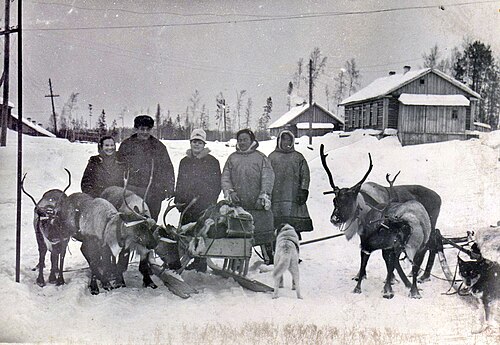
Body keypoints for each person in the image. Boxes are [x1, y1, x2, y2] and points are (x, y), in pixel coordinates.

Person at [221, 128, 275, 264]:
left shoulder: (261, 157)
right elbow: (225, 178)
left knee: (263, 231)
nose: (242, 142)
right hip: (239, 204)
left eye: (245, 139)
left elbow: (268, 177)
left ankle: (269, 258)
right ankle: (236, 261)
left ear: (252, 140)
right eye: (240, 140)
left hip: (257, 203)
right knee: (238, 232)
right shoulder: (232, 158)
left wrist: (264, 195)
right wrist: (230, 192)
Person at [173, 128, 221, 272]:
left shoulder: (212, 162)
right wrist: (178, 199)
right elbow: (180, 181)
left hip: (203, 204)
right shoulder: (184, 162)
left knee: (201, 232)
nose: (196, 145)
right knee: (187, 232)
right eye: (194, 142)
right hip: (187, 204)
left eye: (199, 142)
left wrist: (209, 200)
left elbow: (216, 184)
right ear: (190, 143)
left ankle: (201, 262)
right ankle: (189, 258)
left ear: (204, 144)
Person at [117, 115, 175, 221]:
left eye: (147, 129)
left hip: (153, 192)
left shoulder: (158, 146)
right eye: (142, 129)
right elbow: (118, 166)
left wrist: (169, 187)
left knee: (150, 221)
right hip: (132, 190)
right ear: (136, 129)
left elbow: (167, 168)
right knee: (131, 221)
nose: (145, 132)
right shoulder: (127, 145)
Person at [269, 130, 313, 241]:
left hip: (293, 196)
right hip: (277, 196)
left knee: (293, 229)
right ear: (279, 141)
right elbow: (267, 176)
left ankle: (293, 251)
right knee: (277, 228)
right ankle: (276, 252)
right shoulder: (272, 157)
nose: (286, 142)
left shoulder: (298, 157)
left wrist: (303, 190)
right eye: (284, 139)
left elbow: (305, 175)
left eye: (289, 139)